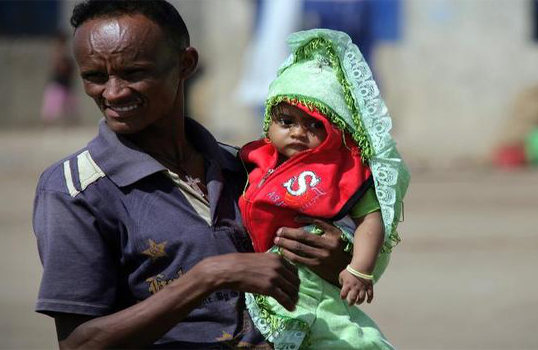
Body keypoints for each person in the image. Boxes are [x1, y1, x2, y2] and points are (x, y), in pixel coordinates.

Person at [33, 1, 350, 348]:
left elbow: (325, 279)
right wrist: (211, 275)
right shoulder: (75, 189)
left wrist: (336, 260)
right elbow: (79, 344)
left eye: (134, 72)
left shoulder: (247, 167)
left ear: (186, 64)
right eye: (94, 77)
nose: (113, 92)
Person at [238, 29, 409, 349]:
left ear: (338, 128)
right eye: (286, 122)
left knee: (333, 331)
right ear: (268, 123)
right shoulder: (256, 160)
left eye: (315, 125)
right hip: (269, 274)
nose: (298, 133)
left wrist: (359, 270)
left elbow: (371, 219)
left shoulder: (343, 170)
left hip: (315, 280)